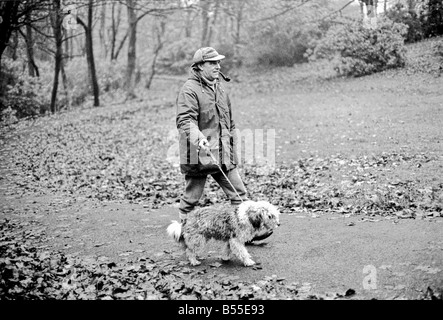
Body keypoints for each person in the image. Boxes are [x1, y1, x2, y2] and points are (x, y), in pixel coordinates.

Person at [175, 47, 272, 242]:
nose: (218, 66)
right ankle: (184, 233)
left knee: (239, 195)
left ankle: (245, 233)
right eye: (212, 63)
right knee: (191, 199)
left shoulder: (220, 88)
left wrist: (232, 143)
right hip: (198, 154)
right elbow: (185, 120)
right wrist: (198, 137)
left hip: (223, 154)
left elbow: (229, 121)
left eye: (219, 62)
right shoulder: (189, 90)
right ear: (200, 66)